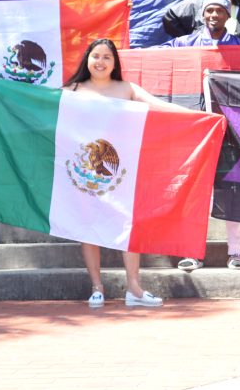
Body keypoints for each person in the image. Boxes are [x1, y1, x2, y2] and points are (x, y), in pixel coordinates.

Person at [63, 38, 187, 308]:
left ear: (115, 62)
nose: (101, 61)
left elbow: (159, 106)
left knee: (128, 226)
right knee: (88, 227)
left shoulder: (126, 88)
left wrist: (198, 114)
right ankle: (97, 287)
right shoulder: (73, 89)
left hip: (123, 169)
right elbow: (36, 105)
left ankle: (134, 288)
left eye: (107, 57)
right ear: (87, 59)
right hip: (85, 171)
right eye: (96, 55)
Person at [167, 0, 240, 47]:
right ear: (203, 15)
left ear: (228, 16)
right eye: (209, 10)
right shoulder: (183, 43)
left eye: (220, 11)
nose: (214, 15)